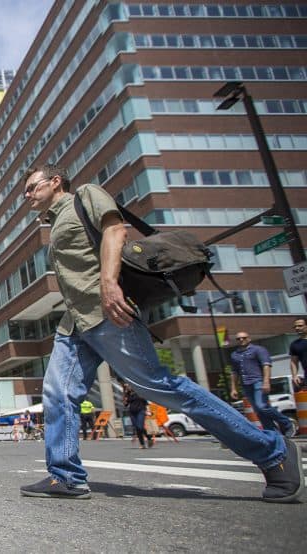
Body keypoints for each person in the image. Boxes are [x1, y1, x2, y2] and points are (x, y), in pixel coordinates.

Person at [17, 165, 302, 502]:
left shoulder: (85, 195)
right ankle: (65, 476)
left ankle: (273, 452)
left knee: (163, 387)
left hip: (109, 312)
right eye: (25, 192)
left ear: (54, 182)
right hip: (76, 323)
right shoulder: (55, 221)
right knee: (57, 393)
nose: (28, 195)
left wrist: (109, 285)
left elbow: (115, 231)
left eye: (32, 187)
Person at [230, 332, 294, 436]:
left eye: (244, 338)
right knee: (258, 411)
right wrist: (233, 388)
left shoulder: (259, 350)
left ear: (249, 339)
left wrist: (266, 382)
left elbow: (266, 366)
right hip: (246, 384)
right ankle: (272, 432)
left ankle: (286, 423)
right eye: (238, 339)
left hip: (258, 381)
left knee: (262, 406)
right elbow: (234, 372)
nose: (241, 340)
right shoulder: (234, 355)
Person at [123, 383, 152, 449]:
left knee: (140, 427)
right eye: (126, 386)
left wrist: (148, 411)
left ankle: (148, 438)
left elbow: (146, 403)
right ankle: (142, 444)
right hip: (132, 413)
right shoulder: (127, 394)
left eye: (128, 386)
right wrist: (125, 399)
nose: (127, 387)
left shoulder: (140, 392)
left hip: (141, 411)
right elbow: (126, 405)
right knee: (137, 428)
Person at [289, 317, 307, 390]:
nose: (297, 328)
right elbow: (293, 362)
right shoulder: (295, 344)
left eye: (300, 326)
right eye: (295, 326)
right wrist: (294, 376)